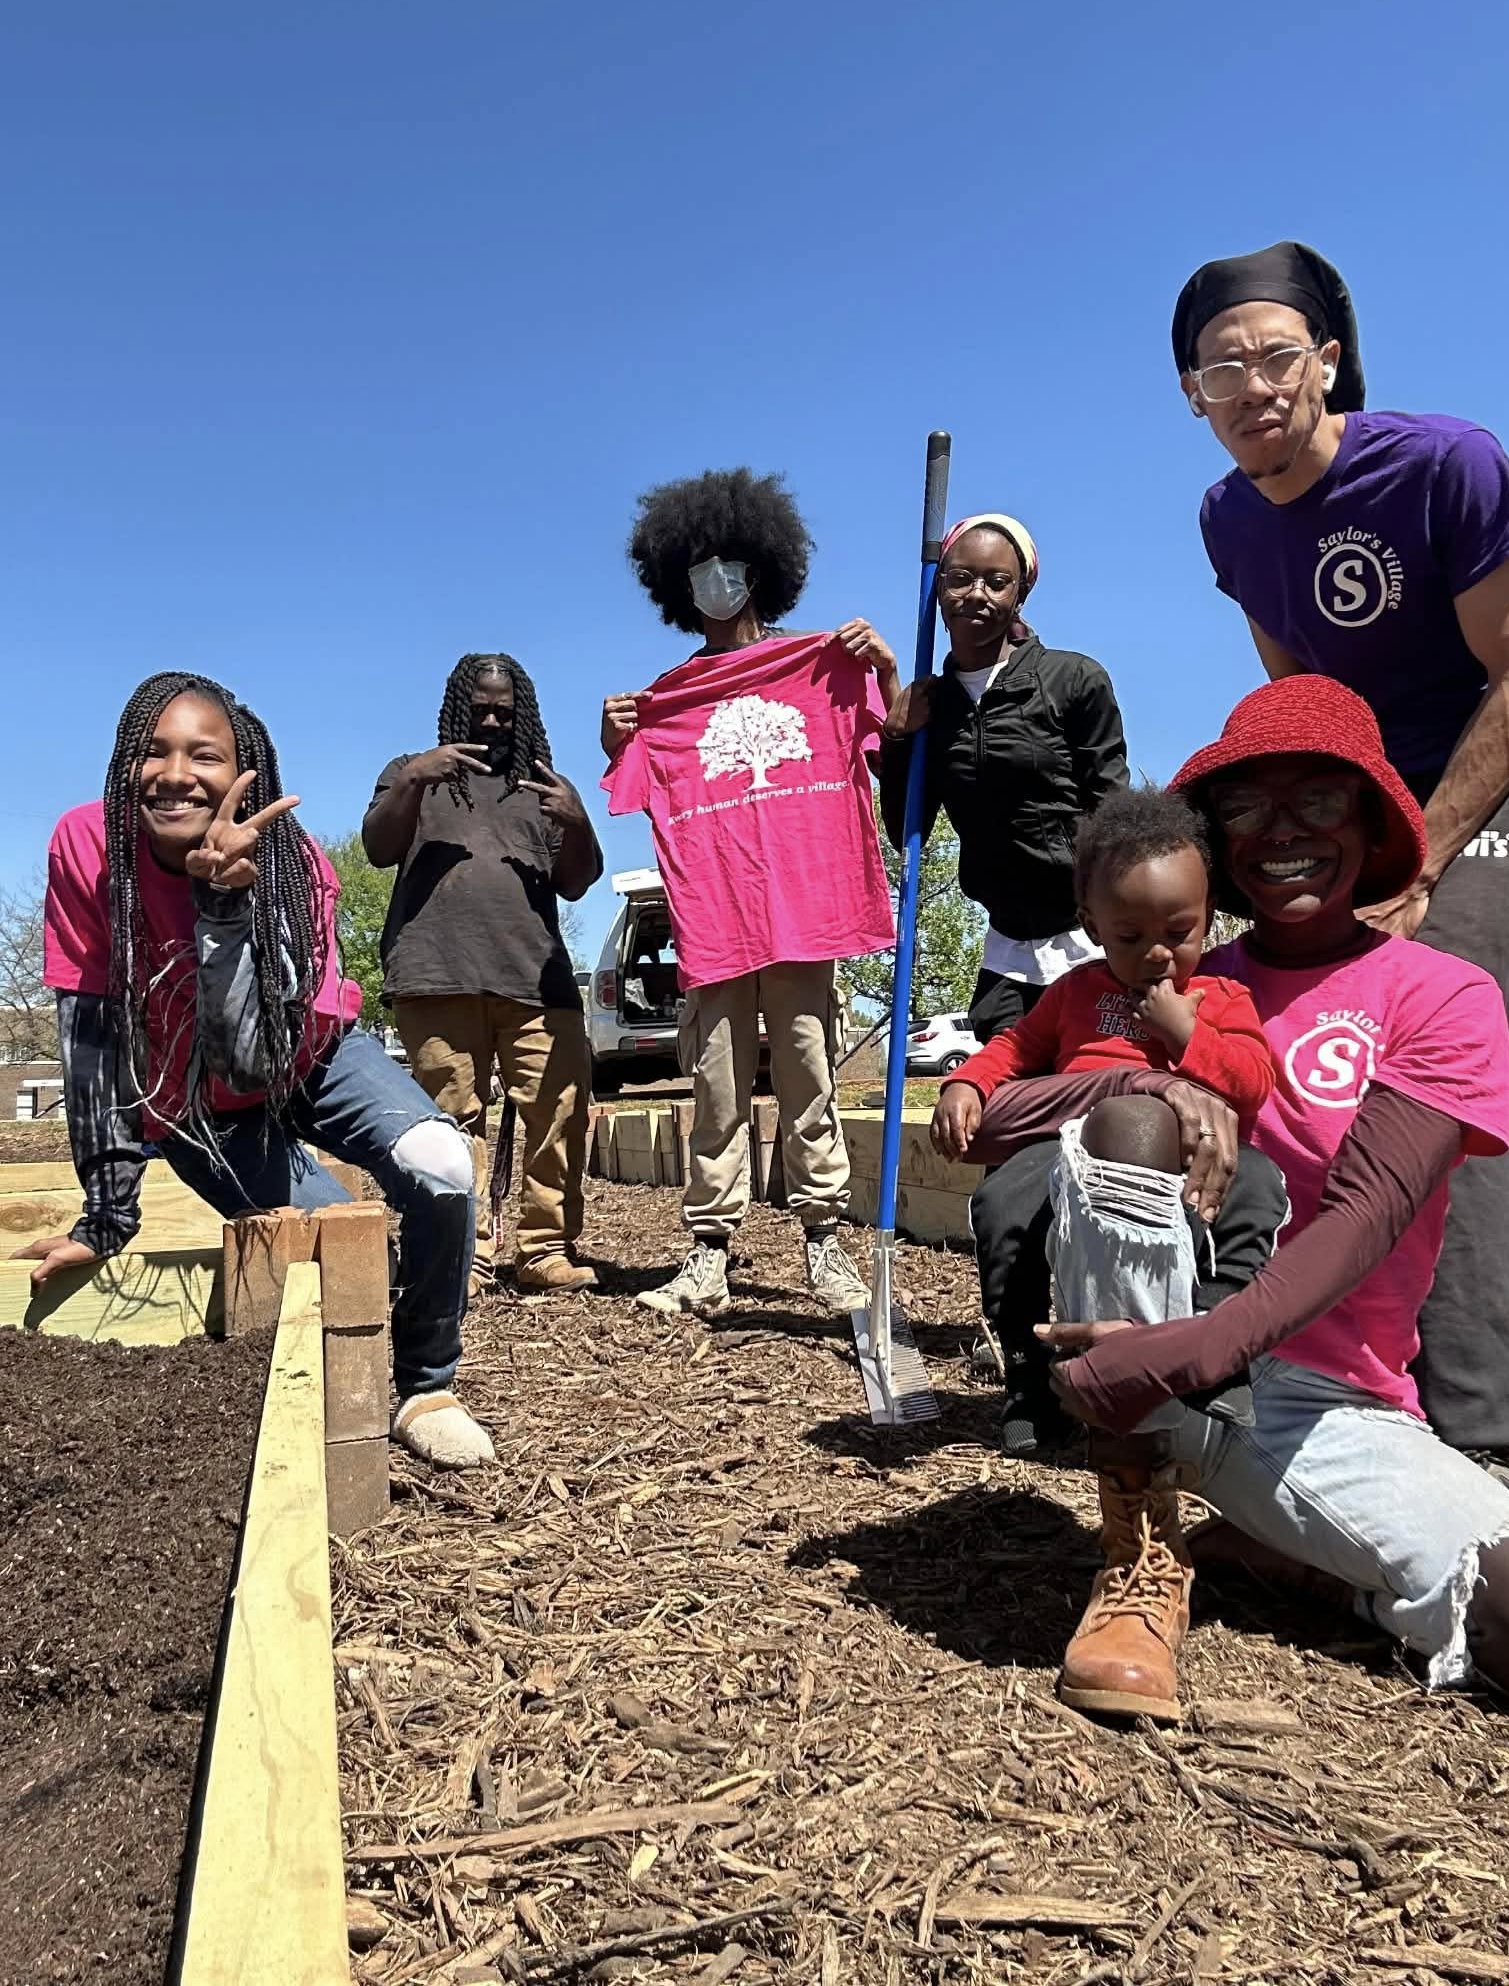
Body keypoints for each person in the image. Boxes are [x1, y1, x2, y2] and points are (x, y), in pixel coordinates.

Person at [970, 676, 1509, 1719]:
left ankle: (1301, 1559)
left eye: (1319, 798)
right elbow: (993, 1123)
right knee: (1136, 1123)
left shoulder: (1443, 994)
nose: (1283, 831)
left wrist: (1207, 1345)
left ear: (1372, 822)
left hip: (1324, 1405)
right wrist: (1146, 1077)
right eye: (1246, 805)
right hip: (1147, 1372)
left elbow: (1367, 1213)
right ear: (1215, 836)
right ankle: (1137, 1546)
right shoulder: (1164, 962)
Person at [1174, 239, 1509, 1491]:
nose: (1255, 385)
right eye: (1224, 369)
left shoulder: (1446, 463)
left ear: (1328, 362)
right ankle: (1326, 1359)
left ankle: (1490, 1420)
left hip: (1497, 770)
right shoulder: (1228, 518)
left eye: (1277, 356)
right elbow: (1304, 695)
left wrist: (1425, 850)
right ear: (1193, 398)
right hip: (1371, 792)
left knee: (1439, 1005)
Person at [15, 671, 492, 1470]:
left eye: (204, 755)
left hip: (310, 1058)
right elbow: (91, 1030)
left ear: (246, 773)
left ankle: (425, 1386)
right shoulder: (85, 846)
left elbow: (255, 1054)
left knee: (441, 1164)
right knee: (346, 1250)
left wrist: (224, 906)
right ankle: (363, 1350)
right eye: (151, 752)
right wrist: (107, 1215)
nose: (174, 775)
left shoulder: (291, 865)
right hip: (197, 1110)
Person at [601, 467, 898, 1316]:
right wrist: (615, 734)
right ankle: (708, 1254)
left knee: (809, 1077)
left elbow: (900, 730)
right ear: (674, 585)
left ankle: (824, 1244)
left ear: (760, 567)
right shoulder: (666, 702)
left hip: (808, 914)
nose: (713, 579)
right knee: (717, 1089)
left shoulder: (824, 665)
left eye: (727, 561)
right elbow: (627, 782)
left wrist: (882, 667)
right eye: (695, 566)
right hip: (717, 917)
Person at [932, 787, 1285, 1458]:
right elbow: (1014, 1050)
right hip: (1073, 1156)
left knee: (1259, 1189)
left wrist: (1189, 1036)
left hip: (1185, 1162)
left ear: (1208, 919)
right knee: (1003, 1204)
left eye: (1178, 932)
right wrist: (967, 1081)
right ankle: (1033, 1377)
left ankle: (1218, 1351)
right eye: (1130, 936)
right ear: (1092, 925)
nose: (1157, 953)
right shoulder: (1074, 994)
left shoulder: (1222, 997)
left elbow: (1254, 1084)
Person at [363, 653, 602, 1295]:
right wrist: (415, 777)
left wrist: (578, 821)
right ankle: (459, 1254)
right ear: (457, 709)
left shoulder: (541, 787)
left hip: (536, 981)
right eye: (481, 708)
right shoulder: (414, 777)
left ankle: (544, 1249)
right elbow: (378, 848)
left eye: (505, 708)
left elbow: (578, 883)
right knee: (447, 1123)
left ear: (521, 713)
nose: (493, 718)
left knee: (558, 1113)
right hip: (436, 975)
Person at [879, 514, 1129, 1043]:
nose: (977, 595)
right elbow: (906, 833)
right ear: (937, 589)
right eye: (960, 578)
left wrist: (1119, 920)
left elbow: (1115, 815)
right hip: (1008, 947)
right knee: (1005, 1105)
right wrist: (898, 740)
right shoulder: (931, 705)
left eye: (997, 582)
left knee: (1097, 1091)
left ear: (1021, 593)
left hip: (1090, 935)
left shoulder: (1074, 679)